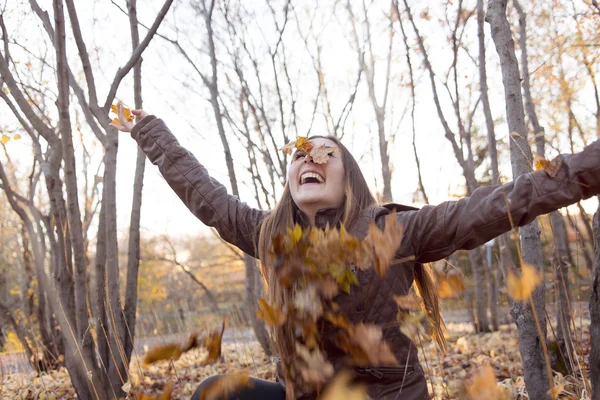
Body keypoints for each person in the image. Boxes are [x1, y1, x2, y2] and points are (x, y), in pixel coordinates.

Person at [111, 104, 600, 400]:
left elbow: (496, 205)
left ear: (349, 177)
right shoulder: (268, 235)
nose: (309, 158)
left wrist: (586, 168)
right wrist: (149, 129)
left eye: (326, 154)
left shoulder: (396, 230)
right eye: (300, 153)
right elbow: (204, 194)